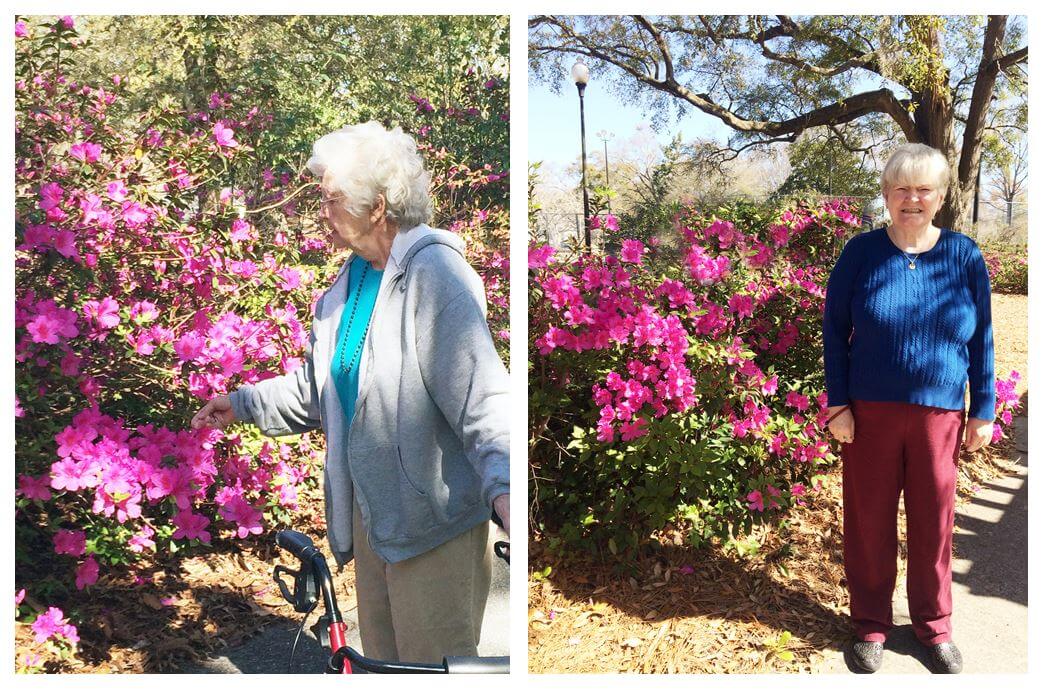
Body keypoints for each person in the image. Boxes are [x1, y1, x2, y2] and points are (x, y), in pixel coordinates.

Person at [191, 122, 510, 664]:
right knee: (381, 666)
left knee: (432, 668)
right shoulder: (352, 282)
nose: (322, 210)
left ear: (378, 207)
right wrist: (243, 403)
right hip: (374, 521)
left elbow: (480, 395)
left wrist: (505, 490)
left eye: (332, 198)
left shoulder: (434, 273)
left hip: (433, 526)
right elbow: (327, 392)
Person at [822, 143, 994, 674]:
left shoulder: (964, 255)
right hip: (869, 413)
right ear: (886, 194)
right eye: (902, 188)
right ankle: (870, 624)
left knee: (934, 523)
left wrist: (983, 408)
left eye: (924, 189)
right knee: (869, 522)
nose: (912, 199)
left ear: (941, 196)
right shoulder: (861, 252)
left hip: (938, 416)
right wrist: (837, 406)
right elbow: (833, 330)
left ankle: (933, 626)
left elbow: (982, 338)